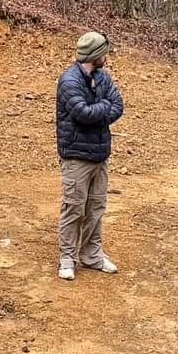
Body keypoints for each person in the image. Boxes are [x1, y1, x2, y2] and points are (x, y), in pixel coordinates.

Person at [55, 30, 124, 282]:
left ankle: (92, 255)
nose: (106, 57)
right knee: (74, 207)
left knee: (96, 207)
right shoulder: (69, 81)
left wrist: (102, 108)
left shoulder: (103, 77)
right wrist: (104, 106)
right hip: (76, 157)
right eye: (104, 52)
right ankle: (67, 258)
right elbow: (82, 113)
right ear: (95, 55)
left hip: (100, 155)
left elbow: (119, 106)